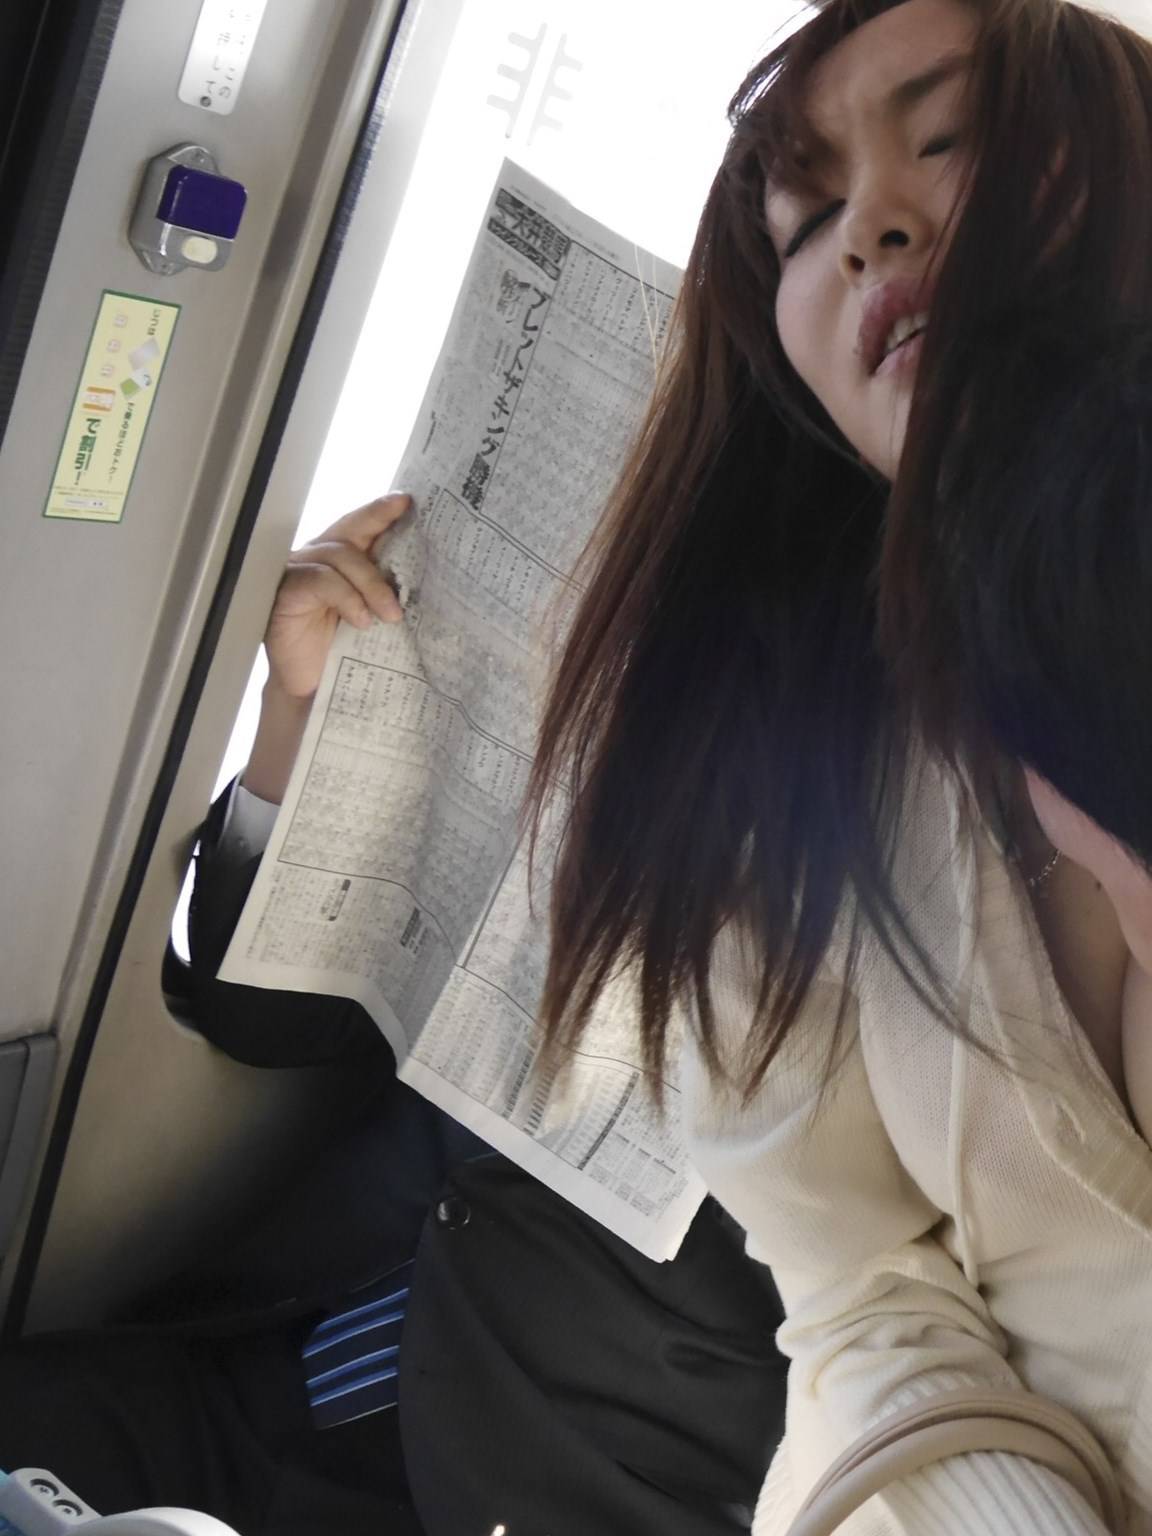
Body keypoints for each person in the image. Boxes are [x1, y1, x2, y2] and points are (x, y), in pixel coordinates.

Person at [516, 0, 1152, 1532]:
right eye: (804, 222)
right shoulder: (782, 764)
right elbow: (861, 1288)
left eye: (952, 138)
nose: (871, 225)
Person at [0, 497, 788, 1536]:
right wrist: (302, 712)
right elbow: (263, 1019)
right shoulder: (598, 847)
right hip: (240, 1364)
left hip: (483, 1498)